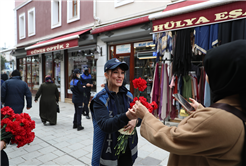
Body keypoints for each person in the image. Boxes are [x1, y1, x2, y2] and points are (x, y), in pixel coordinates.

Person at [129, 40, 246, 166]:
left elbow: (173, 138)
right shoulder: (236, 109)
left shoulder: (219, 120)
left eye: (210, 72)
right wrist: (202, 112)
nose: (206, 78)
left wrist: (146, 115)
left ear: (225, 76)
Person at [90, 58, 140, 166]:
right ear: (106, 75)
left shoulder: (129, 96)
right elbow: (105, 125)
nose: (120, 76)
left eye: (122, 73)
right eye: (115, 72)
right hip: (107, 152)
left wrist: (135, 120)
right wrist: (127, 116)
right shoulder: (99, 100)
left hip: (127, 150)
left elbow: (140, 116)